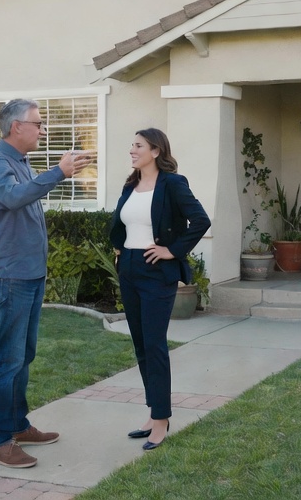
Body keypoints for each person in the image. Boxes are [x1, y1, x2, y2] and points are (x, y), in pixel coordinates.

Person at [0, 98, 92, 469]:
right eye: (38, 123)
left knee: (23, 356)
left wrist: (60, 170)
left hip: (29, 274)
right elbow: (13, 198)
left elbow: (25, 196)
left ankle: (17, 425)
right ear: (16, 128)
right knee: (8, 360)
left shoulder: (20, 163)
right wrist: (58, 172)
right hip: (12, 275)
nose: (42, 129)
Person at [108, 128, 211, 451]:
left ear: (155, 151)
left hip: (156, 271)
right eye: (132, 146)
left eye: (137, 146)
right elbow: (125, 223)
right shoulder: (131, 184)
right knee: (140, 344)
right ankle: (153, 414)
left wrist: (171, 250)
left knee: (154, 345)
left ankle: (162, 419)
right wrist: (121, 247)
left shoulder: (172, 184)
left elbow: (201, 220)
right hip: (129, 269)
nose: (131, 150)